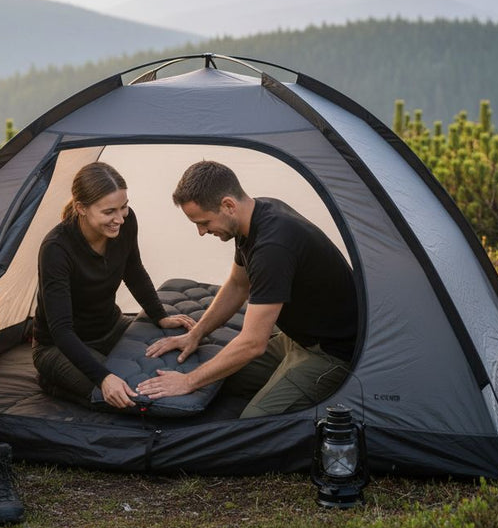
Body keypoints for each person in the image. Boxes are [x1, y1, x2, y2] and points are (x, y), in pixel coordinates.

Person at [139, 160, 358, 418]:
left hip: (331, 353)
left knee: (252, 422)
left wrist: (187, 382)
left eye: (204, 222)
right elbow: (237, 285)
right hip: (296, 338)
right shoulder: (253, 216)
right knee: (221, 380)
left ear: (229, 205)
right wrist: (195, 335)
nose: (200, 232)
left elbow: (253, 343)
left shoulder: (273, 247)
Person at [33, 161, 195, 409]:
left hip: (110, 328)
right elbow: (61, 331)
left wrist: (160, 316)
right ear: (81, 208)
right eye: (109, 212)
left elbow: (134, 271)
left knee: (171, 357)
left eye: (124, 207)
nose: (119, 219)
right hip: (59, 346)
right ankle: (52, 382)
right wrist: (104, 378)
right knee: (124, 395)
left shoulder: (126, 224)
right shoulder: (56, 249)